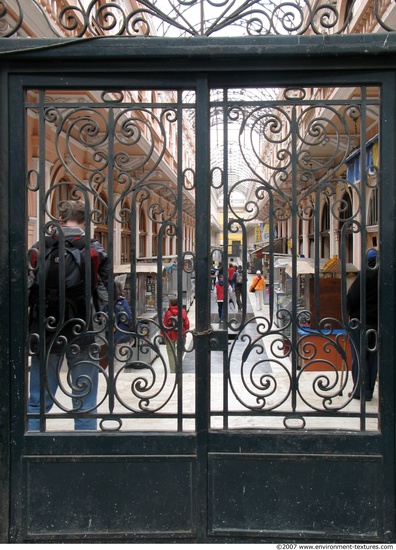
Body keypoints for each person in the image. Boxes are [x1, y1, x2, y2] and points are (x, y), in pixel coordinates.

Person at [27, 200, 109, 430]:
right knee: (85, 396)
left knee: (38, 399)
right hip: (81, 327)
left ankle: (32, 445)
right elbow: (105, 291)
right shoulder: (94, 249)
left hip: (45, 327)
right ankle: (84, 450)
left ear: (61, 219)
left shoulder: (40, 246)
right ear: (86, 221)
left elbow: (27, 285)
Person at [346, 249, 378, 401]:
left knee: (359, 356)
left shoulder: (365, 274)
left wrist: (348, 310)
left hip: (359, 321)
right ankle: (369, 391)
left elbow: (352, 296)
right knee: (372, 357)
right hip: (377, 323)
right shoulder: (386, 275)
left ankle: (360, 390)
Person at [162, 297, 190, 373]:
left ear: (170, 303)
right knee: (181, 350)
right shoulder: (182, 312)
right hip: (181, 334)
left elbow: (165, 324)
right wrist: (186, 331)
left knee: (170, 351)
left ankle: (173, 369)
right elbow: (187, 323)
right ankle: (179, 366)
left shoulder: (168, 313)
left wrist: (163, 334)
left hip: (170, 334)